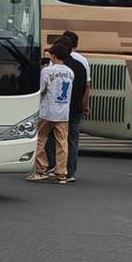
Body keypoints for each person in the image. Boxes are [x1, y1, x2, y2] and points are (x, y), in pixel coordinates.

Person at [33, 46, 74, 183]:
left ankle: (41, 169)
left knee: (40, 139)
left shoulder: (47, 71)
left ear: (53, 56)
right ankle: (61, 173)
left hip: (47, 111)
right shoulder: (70, 72)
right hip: (63, 112)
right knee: (62, 143)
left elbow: (42, 89)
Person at [55, 29, 90, 177]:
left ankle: (55, 167)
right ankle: (71, 171)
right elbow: (87, 86)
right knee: (73, 139)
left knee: (55, 137)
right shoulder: (82, 62)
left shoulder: (56, 64)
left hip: (59, 107)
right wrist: (86, 104)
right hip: (76, 106)